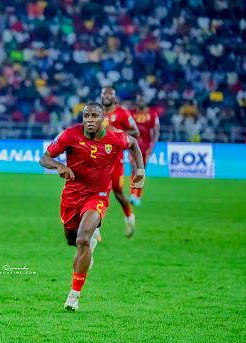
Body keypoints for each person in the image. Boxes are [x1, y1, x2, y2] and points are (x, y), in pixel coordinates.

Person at [40, 102, 145, 312]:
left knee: (83, 239)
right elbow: (45, 158)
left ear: (103, 118)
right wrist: (60, 166)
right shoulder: (70, 135)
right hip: (71, 196)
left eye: (94, 116)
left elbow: (134, 143)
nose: (89, 120)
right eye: (86, 116)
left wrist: (140, 171)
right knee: (72, 240)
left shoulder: (115, 138)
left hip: (97, 196)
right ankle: (88, 248)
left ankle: (74, 295)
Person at [101, 87, 140, 237]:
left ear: (114, 97)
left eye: (109, 94)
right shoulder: (97, 112)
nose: (106, 96)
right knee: (96, 193)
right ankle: (93, 228)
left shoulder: (122, 113)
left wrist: (117, 133)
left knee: (118, 193)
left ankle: (129, 215)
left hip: (116, 160)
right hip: (97, 159)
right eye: (104, 94)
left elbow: (136, 132)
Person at [130, 94, 160, 206]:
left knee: (141, 171)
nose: (141, 101)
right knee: (134, 169)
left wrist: (152, 146)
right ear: (137, 101)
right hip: (133, 146)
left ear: (146, 101)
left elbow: (156, 131)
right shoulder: (131, 113)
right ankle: (132, 194)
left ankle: (138, 196)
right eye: (139, 99)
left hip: (146, 147)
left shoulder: (152, 114)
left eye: (143, 99)